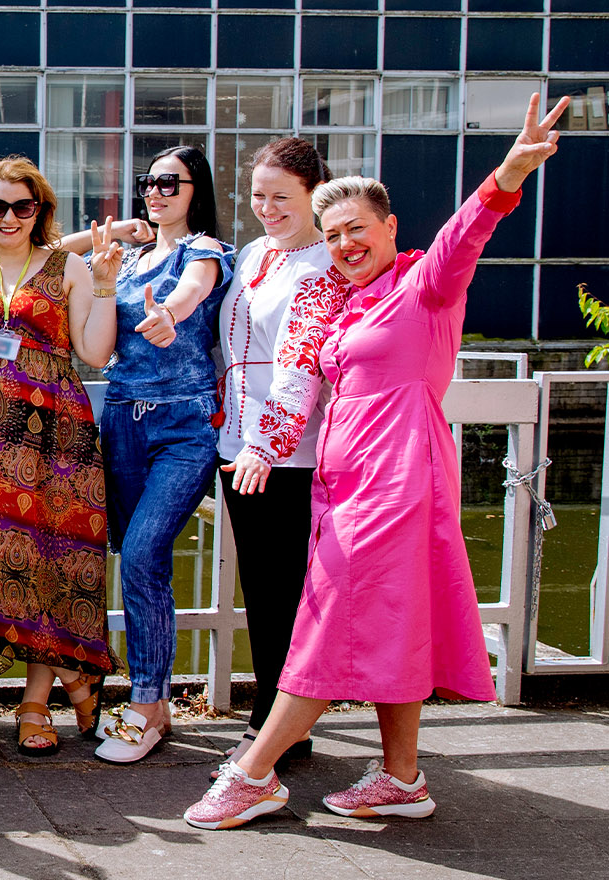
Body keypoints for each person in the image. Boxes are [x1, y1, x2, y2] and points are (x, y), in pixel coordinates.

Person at [185, 93, 570, 830]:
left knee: (326, 626)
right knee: (391, 621)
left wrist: (508, 174)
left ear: (390, 227)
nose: (345, 245)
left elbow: (466, 236)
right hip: (348, 484)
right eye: (332, 236)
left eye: (357, 230)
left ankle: (252, 773)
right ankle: (401, 777)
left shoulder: (426, 288)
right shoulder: (355, 301)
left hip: (394, 485)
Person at [0, 154, 120, 758]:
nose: (10, 216)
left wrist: (106, 284)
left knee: (55, 559)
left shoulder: (69, 265)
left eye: (23, 205)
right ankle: (78, 678)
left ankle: (34, 704)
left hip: (59, 438)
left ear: (39, 209)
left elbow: (94, 353)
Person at [75, 145, 235, 764]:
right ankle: (157, 700)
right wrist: (110, 243)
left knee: (143, 552)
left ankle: (144, 702)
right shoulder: (131, 257)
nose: (158, 190)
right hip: (121, 418)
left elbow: (194, 290)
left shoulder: (207, 252)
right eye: (150, 181)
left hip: (183, 424)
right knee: (136, 558)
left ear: (198, 189)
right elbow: (46, 258)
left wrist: (168, 312)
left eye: (172, 181)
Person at [209, 138, 345, 769]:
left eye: (281, 197)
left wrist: (267, 444)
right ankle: (276, 719)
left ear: (315, 196)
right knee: (263, 589)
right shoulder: (255, 254)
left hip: (286, 456)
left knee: (281, 593)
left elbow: (299, 369)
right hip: (236, 443)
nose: (266, 208)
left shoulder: (322, 267)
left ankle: (278, 728)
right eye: (258, 195)